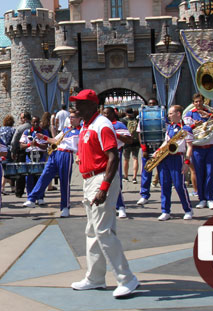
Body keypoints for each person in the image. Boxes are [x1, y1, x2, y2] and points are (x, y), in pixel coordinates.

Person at [70, 89, 139, 298]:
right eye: (76, 103)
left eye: (81, 103)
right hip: (89, 178)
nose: (76, 107)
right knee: (92, 231)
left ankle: (127, 278)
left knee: (103, 231)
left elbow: (113, 157)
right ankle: (95, 277)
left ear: (93, 105)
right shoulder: (87, 125)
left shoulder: (102, 125)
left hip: (101, 178)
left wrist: (104, 187)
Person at [23, 110, 81, 217]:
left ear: (79, 119)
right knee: (45, 176)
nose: (71, 119)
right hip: (56, 153)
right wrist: (43, 137)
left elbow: (81, 147)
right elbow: (54, 140)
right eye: (70, 117)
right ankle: (32, 198)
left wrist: (79, 156)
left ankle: (65, 207)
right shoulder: (66, 130)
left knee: (64, 182)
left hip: (66, 155)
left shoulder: (80, 131)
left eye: (73, 117)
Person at [156, 105, 194, 221]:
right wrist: (158, 152)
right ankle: (165, 211)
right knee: (165, 185)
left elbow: (190, 146)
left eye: (171, 113)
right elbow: (166, 142)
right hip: (165, 158)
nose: (169, 116)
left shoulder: (186, 128)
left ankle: (188, 210)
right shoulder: (170, 127)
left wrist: (186, 162)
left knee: (179, 185)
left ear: (178, 114)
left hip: (177, 158)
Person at [184, 93, 213, 210]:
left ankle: (210, 198)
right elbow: (185, 130)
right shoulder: (190, 114)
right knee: (199, 173)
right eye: (196, 102)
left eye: (200, 101)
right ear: (193, 103)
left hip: (209, 147)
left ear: (204, 102)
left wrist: (208, 115)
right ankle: (202, 198)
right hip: (197, 148)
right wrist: (194, 126)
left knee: (210, 173)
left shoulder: (211, 113)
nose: (198, 104)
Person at [102, 107, 133, 219]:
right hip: (102, 155)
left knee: (115, 180)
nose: (104, 115)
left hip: (115, 154)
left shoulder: (119, 125)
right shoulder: (100, 125)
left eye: (106, 113)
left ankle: (120, 207)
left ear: (112, 114)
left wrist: (116, 134)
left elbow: (129, 140)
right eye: (103, 113)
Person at [136, 98, 159, 206]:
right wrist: (144, 148)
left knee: (163, 173)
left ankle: (165, 194)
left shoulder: (162, 116)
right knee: (146, 172)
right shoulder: (143, 118)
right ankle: (144, 195)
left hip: (160, 148)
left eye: (154, 104)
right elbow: (140, 134)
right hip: (148, 148)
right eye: (150, 104)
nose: (151, 105)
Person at [19, 116, 49, 196]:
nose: (35, 124)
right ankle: (30, 195)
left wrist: (37, 144)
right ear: (31, 123)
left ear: (39, 122)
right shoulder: (26, 132)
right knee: (29, 176)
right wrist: (29, 144)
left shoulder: (44, 132)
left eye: (37, 122)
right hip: (30, 156)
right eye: (34, 122)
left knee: (41, 177)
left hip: (40, 155)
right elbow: (21, 146)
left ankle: (40, 196)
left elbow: (46, 146)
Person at [0, 115, 16, 194]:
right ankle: (2, 186)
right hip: (8, 150)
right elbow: (14, 141)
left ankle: (12, 187)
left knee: (4, 168)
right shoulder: (13, 130)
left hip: (0, 150)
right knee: (9, 169)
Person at [122, 108, 140, 184]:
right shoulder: (136, 120)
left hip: (126, 141)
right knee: (135, 158)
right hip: (136, 142)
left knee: (126, 159)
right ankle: (134, 177)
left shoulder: (123, 121)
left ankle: (126, 176)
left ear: (126, 113)